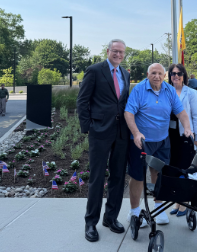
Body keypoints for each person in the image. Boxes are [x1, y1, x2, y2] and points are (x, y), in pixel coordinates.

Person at [76, 39, 131, 243]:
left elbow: (124, 102)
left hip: (121, 132)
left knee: (118, 177)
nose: (118, 54)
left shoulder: (125, 74)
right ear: (108, 51)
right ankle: (91, 223)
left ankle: (110, 218)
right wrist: (87, 126)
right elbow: (82, 100)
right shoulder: (95, 70)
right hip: (99, 131)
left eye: (121, 52)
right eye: (115, 51)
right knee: (97, 178)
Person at [124, 63, 193, 227]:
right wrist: (135, 133)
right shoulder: (139, 90)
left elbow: (181, 112)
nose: (157, 76)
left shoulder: (168, 90)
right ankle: (134, 211)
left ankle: (159, 207)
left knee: (159, 174)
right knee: (138, 176)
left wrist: (188, 128)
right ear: (147, 74)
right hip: (141, 141)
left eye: (160, 73)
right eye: (153, 73)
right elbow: (129, 113)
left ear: (164, 76)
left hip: (162, 141)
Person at [166, 63, 197, 218]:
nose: (176, 76)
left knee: (184, 169)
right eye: (173, 73)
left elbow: (196, 116)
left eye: (179, 73)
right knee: (173, 170)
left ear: (184, 76)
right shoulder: (165, 91)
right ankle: (177, 201)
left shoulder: (191, 93)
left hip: (185, 137)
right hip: (168, 137)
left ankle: (183, 203)